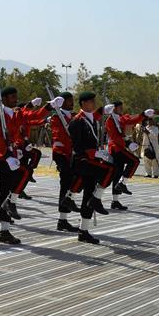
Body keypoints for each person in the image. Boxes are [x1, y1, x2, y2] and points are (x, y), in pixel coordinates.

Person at [0, 87, 53, 244]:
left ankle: (4, 228)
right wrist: (7, 153)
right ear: (3, 99)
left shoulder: (18, 113)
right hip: (0, 155)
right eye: (11, 97)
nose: (14, 99)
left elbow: (32, 116)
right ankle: (11, 202)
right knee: (24, 172)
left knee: (5, 188)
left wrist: (48, 108)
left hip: (12, 154)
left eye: (16, 97)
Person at [66, 91, 112, 244]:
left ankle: (83, 230)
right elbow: (78, 146)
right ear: (84, 103)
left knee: (88, 195)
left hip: (90, 160)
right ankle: (97, 198)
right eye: (91, 101)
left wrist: (99, 152)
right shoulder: (77, 121)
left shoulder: (91, 119)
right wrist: (95, 154)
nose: (94, 103)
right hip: (82, 161)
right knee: (110, 169)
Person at [104, 100, 153, 210]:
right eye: (119, 107)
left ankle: (115, 201)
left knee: (118, 173)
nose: (121, 109)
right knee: (135, 161)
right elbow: (114, 137)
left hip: (121, 147)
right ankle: (123, 183)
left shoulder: (120, 118)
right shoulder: (109, 120)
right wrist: (127, 143)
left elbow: (132, 120)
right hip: (115, 148)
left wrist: (143, 115)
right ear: (114, 108)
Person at [51, 92, 79, 232]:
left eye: (72, 100)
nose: (71, 103)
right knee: (66, 180)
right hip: (61, 153)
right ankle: (63, 218)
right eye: (68, 101)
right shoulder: (56, 116)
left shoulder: (74, 116)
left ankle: (63, 219)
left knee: (73, 181)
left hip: (71, 153)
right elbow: (57, 134)